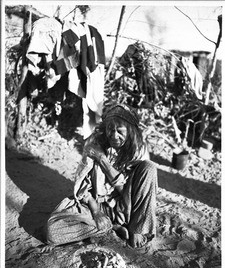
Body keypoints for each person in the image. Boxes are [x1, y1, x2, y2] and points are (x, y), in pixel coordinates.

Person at [46, 103, 158, 248]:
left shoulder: (138, 149)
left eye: (120, 131)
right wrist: (96, 212)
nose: (114, 135)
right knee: (53, 232)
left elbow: (129, 191)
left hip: (127, 205)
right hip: (97, 204)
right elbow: (83, 187)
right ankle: (111, 227)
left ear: (130, 131)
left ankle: (136, 228)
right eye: (110, 129)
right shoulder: (94, 143)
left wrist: (102, 159)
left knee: (149, 168)